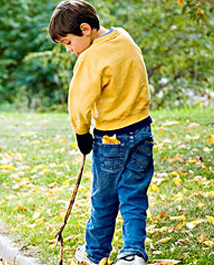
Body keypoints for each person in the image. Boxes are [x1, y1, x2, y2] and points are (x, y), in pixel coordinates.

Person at [48, 1, 154, 265]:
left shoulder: (91, 58)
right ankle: (132, 253)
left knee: (104, 199)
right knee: (133, 196)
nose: (69, 50)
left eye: (68, 43)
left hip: (111, 140)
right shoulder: (125, 39)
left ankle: (94, 253)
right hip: (142, 131)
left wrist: (81, 133)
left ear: (85, 29)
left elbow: (79, 101)